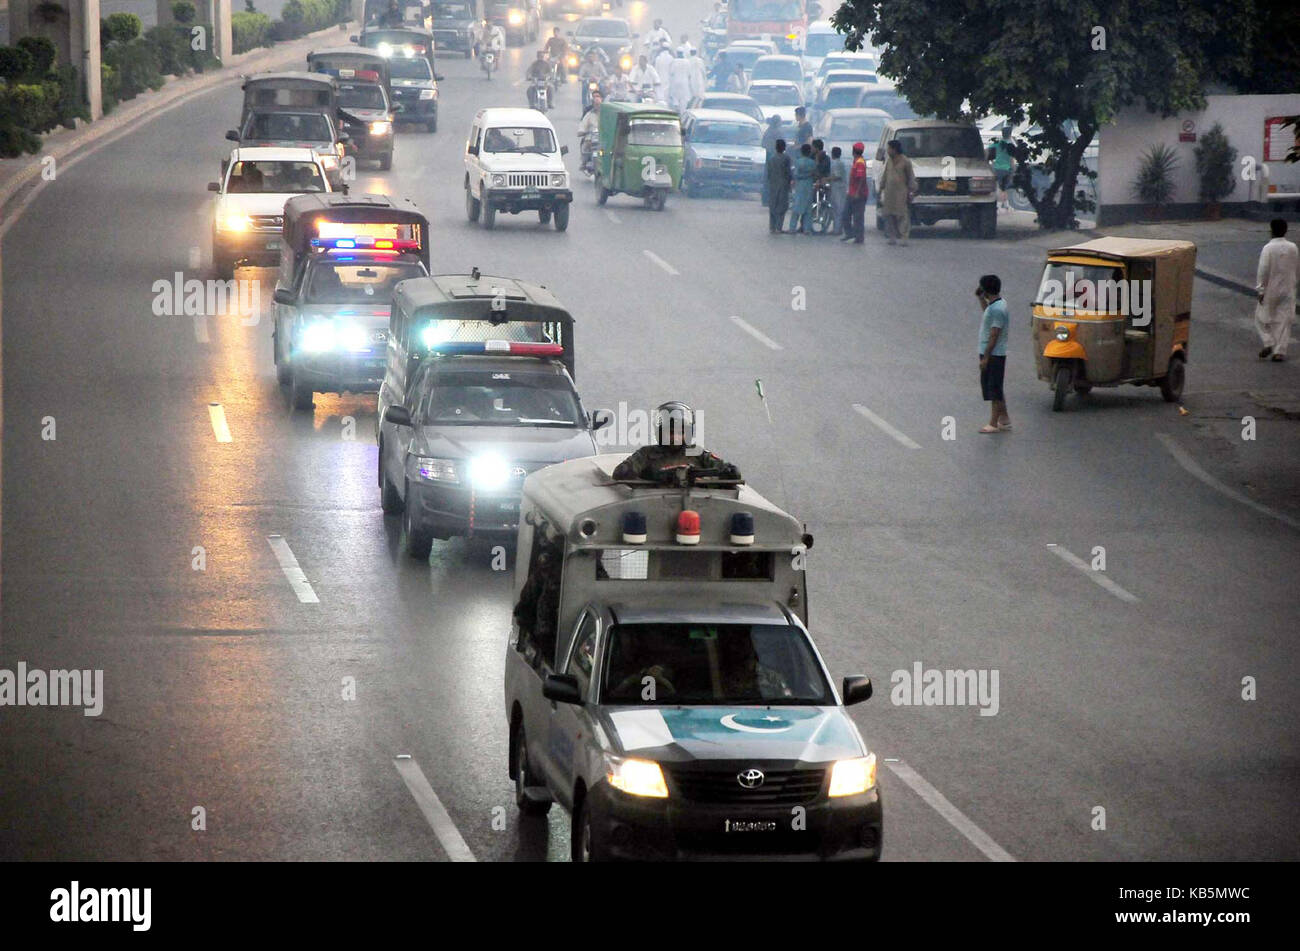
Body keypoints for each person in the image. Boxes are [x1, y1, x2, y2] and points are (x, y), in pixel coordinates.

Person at [612, 401, 742, 482]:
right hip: (654, 501)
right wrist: (654, 477)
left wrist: (707, 477)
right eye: (671, 432)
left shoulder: (696, 452)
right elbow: (620, 473)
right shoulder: (647, 453)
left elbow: (730, 473)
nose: (676, 437)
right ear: (661, 433)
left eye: (680, 432)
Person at [1256, 219, 1298, 362]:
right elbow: (1297, 267)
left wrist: (1261, 289)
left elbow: (1263, 269)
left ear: (1271, 231)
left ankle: (1268, 342)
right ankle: (1279, 351)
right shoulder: (1293, 247)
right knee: (1284, 320)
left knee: (1260, 317)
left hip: (1271, 289)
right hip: (1288, 288)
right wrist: (1294, 283)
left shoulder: (1268, 248)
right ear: (1285, 231)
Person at [976, 274, 1011, 433]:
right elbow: (987, 314)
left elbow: (994, 334)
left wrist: (986, 357)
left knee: (994, 389)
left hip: (994, 354)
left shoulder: (998, 309)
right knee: (996, 387)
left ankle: (993, 423)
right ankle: (1004, 419)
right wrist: (980, 299)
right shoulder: (997, 304)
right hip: (992, 353)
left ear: (986, 290)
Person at [879, 138, 917, 245]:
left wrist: (911, 191)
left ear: (894, 149)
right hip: (889, 193)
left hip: (901, 193)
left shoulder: (906, 161)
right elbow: (885, 176)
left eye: (889, 149)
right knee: (889, 215)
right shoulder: (889, 161)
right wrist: (880, 189)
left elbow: (911, 177)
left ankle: (904, 237)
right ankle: (892, 237)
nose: (887, 151)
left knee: (902, 216)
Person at [842, 141, 869, 243]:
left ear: (853, 151)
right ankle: (850, 233)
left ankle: (859, 237)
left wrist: (857, 192)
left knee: (858, 217)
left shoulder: (860, 163)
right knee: (846, 214)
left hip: (859, 194)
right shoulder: (856, 161)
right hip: (852, 192)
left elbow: (861, 179)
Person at [788, 142, 816, 234]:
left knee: (796, 209)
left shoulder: (798, 162)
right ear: (809, 152)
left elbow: (796, 175)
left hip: (800, 187)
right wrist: (809, 175)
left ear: (801, 152)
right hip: (809, 187)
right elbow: (814, 175)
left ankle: (792, 228)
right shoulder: (813, 163)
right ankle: (807, 229)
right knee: (808, 209)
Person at [765, 139, 792, 233]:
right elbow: (788, 173)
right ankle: (779, 227)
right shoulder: (786, 158)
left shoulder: (771, 158)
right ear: (784, 148)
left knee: (773, 205)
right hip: (783, 185)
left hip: (773, 184)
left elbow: (768, 173)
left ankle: (772, 227)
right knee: (782, 206)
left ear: (775, 147)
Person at [989, 125, 1016, 210]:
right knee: (1003, 188)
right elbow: (1012, 159)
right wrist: (1013, 169)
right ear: (1010, 134)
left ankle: (1006, 204)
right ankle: (999, 205)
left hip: (997, 168)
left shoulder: (997, 144)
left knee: (1001, 187)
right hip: (1007, 169)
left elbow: (987, 152)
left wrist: (992, 162)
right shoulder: (1010, 145)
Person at [828, 145, 848, 236]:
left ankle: (837, 229)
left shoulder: (836, 164)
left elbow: (837, 176)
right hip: (837, 188)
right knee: (836, 209)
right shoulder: (839, 163)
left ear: (833, 154)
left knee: (838, 209)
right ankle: (836, 228)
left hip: (838, 189)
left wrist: (827, 179)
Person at [668, 48, 693, 112]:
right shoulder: (687, 62)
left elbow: (671, 72)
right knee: (683, 99)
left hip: (676, 82)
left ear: (677, 53)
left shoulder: (674, 61)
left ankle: (677, 109)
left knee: (675, 98)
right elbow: (689, 74)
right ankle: (682, 112)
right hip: (684, 83)